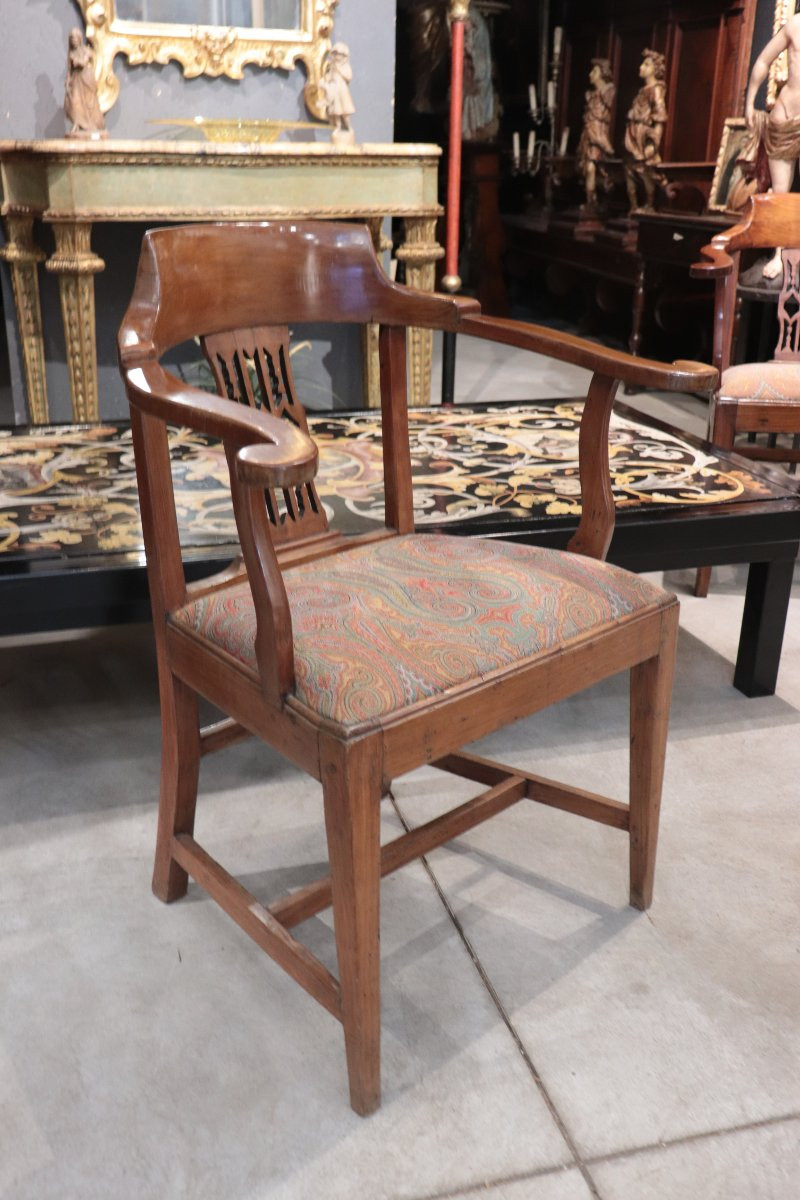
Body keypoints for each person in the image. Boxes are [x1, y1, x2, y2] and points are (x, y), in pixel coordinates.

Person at [745, 13, 800, 277]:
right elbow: (763, 60)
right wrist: (749, 103)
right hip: (786, 115)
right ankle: (778, 254)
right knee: (780, 192)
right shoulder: (795, 25)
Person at [624, 48, 667, 213]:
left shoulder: (656, 89)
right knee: (629, 168)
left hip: (644, 135)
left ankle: (649, 204)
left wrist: (653, 143)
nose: (641, 67)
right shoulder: (642, 90)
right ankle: (633, 206)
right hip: (632, 133)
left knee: (644, 169)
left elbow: (660, 118)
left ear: (655, 69)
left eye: (646, 64)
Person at [576, 58, 615, 211]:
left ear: (602, 73)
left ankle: (593, 200)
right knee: (587, 167)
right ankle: (591, 200)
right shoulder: (590, 95)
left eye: (594, 71)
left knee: (596, 167)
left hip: (599, 133)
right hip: (588, 134)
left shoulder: (608, 92)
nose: (590, 74)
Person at [64, 28, 106, 139]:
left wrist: (77, 61)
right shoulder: (71, 53)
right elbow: (69, 69)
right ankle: (77, 123)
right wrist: (67, 81)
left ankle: (92, 125)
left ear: (79, 38)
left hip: (86, 79)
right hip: (76, 80)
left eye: (75, 37)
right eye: (71, 38)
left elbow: (83, 63)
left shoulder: (86, 51)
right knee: (74, 102)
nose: (73, 40)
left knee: (89, 102)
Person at [323, 42, 356, 145]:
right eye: (336, 54)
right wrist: (326, 79)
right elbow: (328, 76)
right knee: (336, 111)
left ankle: (348, 127)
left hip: (342, 91)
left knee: (344, 111)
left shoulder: (345, 67)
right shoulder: (332, 67)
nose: (338, 57)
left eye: (340, 55)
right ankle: (338, 126)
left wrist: (339, 70)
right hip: (335, 91)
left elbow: (348, 77)